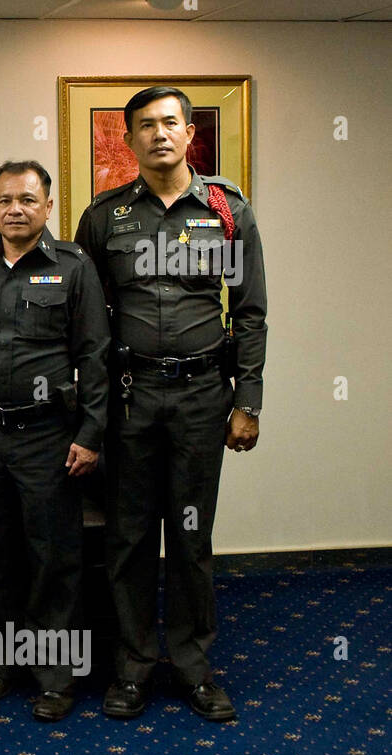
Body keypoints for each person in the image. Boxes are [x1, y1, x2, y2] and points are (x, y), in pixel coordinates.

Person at [75, 86, 267, 721]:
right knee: (128, 539)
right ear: (128, 141)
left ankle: (192, 665)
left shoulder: (226, 209)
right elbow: (90, 323)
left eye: (170, 124)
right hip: (131, 398)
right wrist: (92, 414)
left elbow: (250, 311)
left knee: (191, 538)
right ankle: (131, 668)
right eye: (145, 127)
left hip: (201, 398)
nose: (159, 135)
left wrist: (249, 401)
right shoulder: (104, 217)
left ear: (190, 135)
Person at [0, 160, 109, 722]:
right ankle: (1, 664)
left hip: (48, 436)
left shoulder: (73, 267)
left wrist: (91, 433)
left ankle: (55, 676)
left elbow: (95, 354)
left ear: (48, 206)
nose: (15, 209)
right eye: (5, 199)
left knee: (54, 559)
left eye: (28, 199)